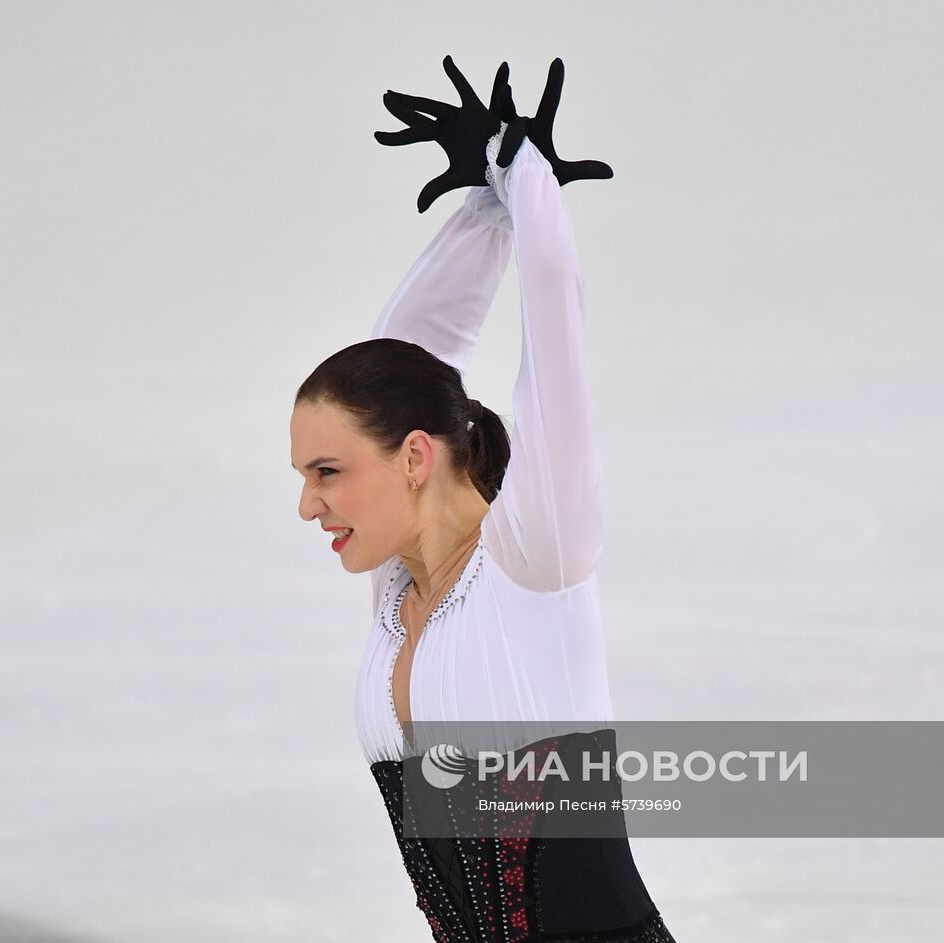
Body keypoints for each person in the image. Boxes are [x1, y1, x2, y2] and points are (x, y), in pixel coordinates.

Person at [291, 57, 676, 942]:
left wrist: (523, 171)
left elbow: (555, 319)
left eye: (327, 472)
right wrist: (483, 212)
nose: (311, 506)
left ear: (417, 458)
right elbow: (406, 354)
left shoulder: (538, 559)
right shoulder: (398, 591)